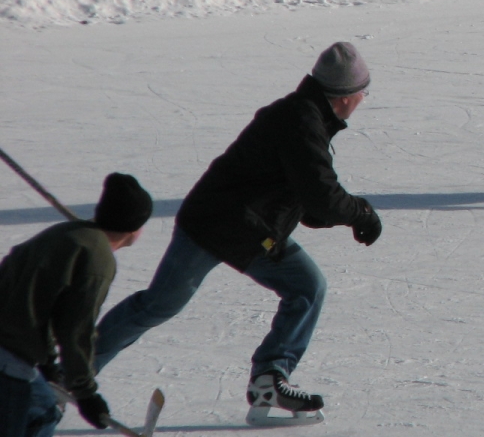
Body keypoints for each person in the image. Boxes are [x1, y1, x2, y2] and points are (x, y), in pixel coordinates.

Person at [93, 42, 383, 422]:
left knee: (302, 287)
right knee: (298, 288)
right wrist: (360, 213)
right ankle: (74, 372)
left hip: (236, 224)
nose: (363, 99)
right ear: (346, 96)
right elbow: (321, 195)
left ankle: (269, 378)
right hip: (222, 225)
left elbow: (307, 196)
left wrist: (333, 212)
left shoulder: (304, 115)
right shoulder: (303, 122)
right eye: (365, 91)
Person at [0, 173, 153, 437]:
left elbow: (34, 295)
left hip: (12, 351)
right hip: (8, 360)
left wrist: (47, 361)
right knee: (32, 418)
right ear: (135, 227)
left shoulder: (65, 233)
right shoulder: (97, 259)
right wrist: (86, 393)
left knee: (44, 408)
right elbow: (76, 329)